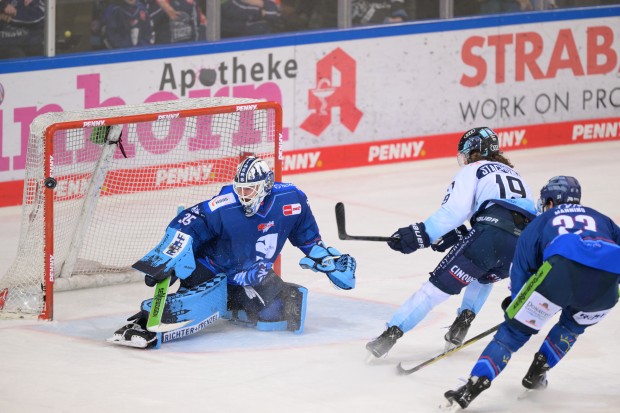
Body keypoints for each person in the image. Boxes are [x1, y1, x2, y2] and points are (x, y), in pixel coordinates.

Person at [107, 156, 357, 349]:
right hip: (212, 266)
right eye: (240, 188)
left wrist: (327, 260)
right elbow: (188, 221)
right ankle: (139, 325)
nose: (242, 195)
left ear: (265, 186)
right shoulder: (225, 205)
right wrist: (168, 257)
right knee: (188, 308)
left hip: (249, 274)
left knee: (280, 312)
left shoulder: (292, 199)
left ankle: (230, 302)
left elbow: (308, 239)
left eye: (249, 190)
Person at [443, 176, 620, 410]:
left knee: (513, 334)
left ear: (550, 201)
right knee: (571, 327)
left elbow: (521, 269)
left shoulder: (542, 221)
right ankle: (538, 372)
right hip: (607, 283)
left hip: (560, 272)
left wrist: (518, 304)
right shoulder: (602, 219)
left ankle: (474, 385)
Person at [366, 127, 536, 359]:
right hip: (521, 248)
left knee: (432, 292)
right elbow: (510, 216)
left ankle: (388, 337)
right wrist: (464, 233)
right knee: (483, 274)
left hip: (488, 236)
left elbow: (455, 211)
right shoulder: (518, 178)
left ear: (474, 151)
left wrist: (421, 234)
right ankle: (464, 319)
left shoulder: (474, 169)